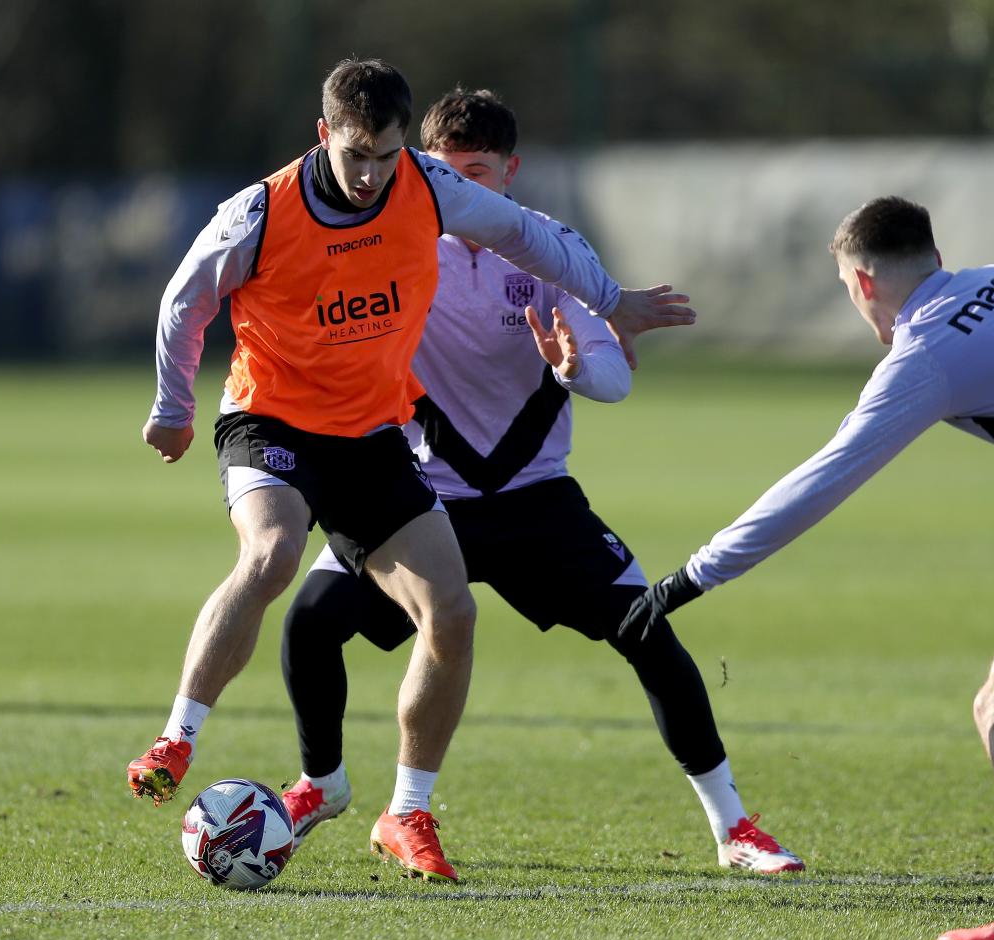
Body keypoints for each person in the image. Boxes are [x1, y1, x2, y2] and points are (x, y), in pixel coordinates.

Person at [128, 58, 696, 884]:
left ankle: (407, 812)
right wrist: (173, 406)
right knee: (274, 552)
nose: (371, 176)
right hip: (270, 416)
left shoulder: (427, 186)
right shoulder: (258, 212)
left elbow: (533, 237)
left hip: (369, 436)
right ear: (324, 136)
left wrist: (612, 301)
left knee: (452, 612)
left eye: (387, 157)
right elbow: (186, 299)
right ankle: (177, 736)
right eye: (356, 155)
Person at [277, 87, 803, 880]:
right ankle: (330, 786)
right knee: (310, 623)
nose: (459, 191)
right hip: (422, 497)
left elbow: (612, 381)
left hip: (536, 499)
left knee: (648, 632)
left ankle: (733, 826)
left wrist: (574, 365)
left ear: (511, 172)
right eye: (443, 173)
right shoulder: (390, 244)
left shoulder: (550, 250)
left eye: (478, 173)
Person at [624, 195, 994, 940]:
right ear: (934, 256)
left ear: (864, 282)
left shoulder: (929, 350)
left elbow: (821, 480)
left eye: (846, 289)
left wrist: (691, 577)